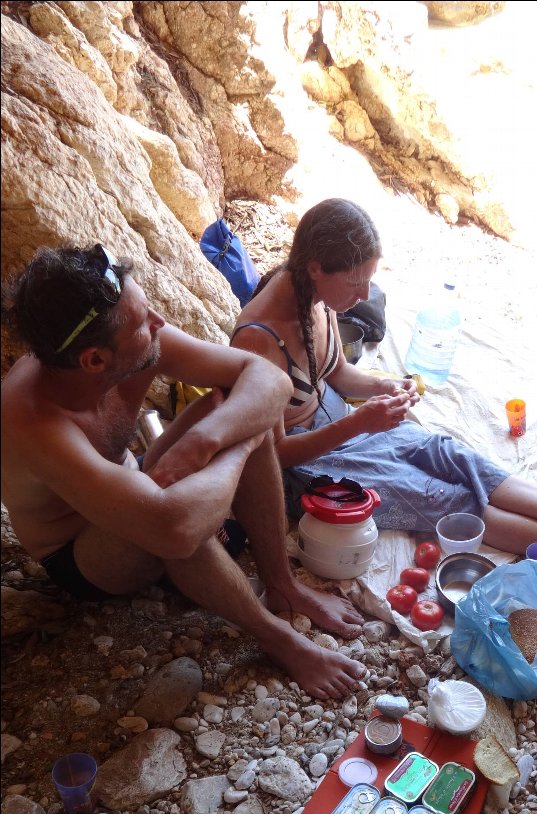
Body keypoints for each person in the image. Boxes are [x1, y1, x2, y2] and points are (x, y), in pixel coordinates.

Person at [1, 245, 366, 699]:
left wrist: (205, 440)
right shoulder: (33, 420)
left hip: (136, 489)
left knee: (230, 409)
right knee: (186, 507)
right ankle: (279, 638)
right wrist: (238, 442)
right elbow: (174, 528)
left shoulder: (128, 344)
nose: (158, 322)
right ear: (94, 360)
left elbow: (269, 379)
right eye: (141, 322)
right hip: (83, 554)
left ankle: (282, 585)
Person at [231, 198, 537, 563]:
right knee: (443, 497)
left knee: (446, 452)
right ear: (315, 266)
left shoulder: (317, 295)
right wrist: (358, 424)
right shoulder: (259, 340)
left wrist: (383, 387)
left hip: (343, 430)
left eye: (369, 279)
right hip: (304, 468)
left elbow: (335, 372)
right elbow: (274, 454)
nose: (365, 295)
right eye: (355, 282)